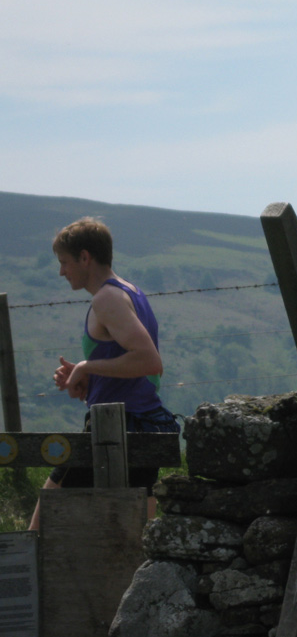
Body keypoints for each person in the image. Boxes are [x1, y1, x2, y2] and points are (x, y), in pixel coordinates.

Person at [28, 218, 180, 531]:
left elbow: (150, 361)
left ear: (85, 257)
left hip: (119, 426)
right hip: (146, 422)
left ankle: (21, 581)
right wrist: (88, 378)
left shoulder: (107, 299)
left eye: (65, 262)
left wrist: (87, 367)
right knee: (135, 536)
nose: (61, 271)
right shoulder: (131, 292)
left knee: (44, 524)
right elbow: (134, 365)